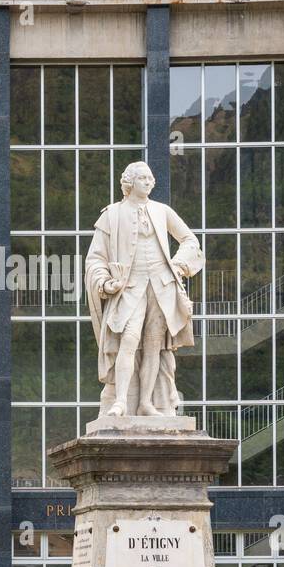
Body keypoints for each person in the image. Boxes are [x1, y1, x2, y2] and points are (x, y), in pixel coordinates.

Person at [84, 161, 203, 417]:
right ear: (129, 182)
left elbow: (190, 240)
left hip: (161, 287)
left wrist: (179, 265)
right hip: (130, 287)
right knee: (128, 340)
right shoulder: (112, 214)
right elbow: (95, 258)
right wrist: (105, 283)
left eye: (150, 178)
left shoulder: (162, 211)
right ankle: (121, 401)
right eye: (142, 178)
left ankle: (146, 403)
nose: (149, 182)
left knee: (154, 347)